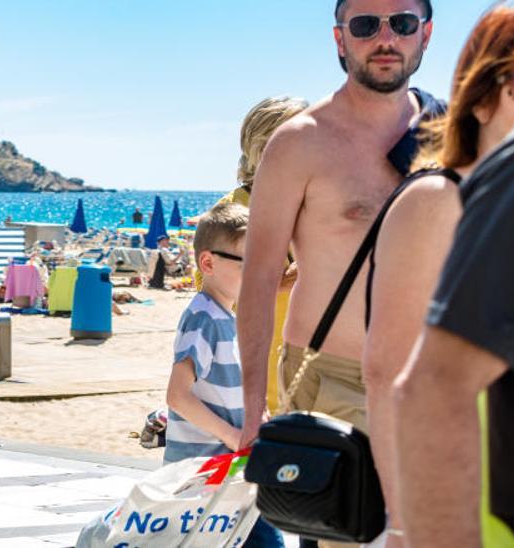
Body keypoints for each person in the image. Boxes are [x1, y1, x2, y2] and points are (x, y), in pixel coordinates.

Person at [238, 0, 441, 459]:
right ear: (340, 39)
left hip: (434, 379)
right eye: (366, 25)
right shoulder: (299, 143)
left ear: (425, 34)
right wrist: (252, 406)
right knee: (344, 530)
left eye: (403, 24)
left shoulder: (451, 134)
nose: (385, 39)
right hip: (334, 379)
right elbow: (259, 278)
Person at [366, 5, 514, 543]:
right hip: (463, 486)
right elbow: (390, 374)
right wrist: (402, 519)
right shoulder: (437, 198)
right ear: (477, 95)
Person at [164, 202, 282, 547]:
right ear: (208, 263)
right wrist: (233, 436)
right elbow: (177, 396)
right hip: (204, 476)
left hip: (228, 475)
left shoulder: (226, 317)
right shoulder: (203, 318)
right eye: (248, 262)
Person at [196, 97, 310, 413]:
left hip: (314, 371)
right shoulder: (230, 213)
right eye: (297, 135)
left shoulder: (316, 203)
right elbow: (211, 295)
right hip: (254, 380)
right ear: (264, 146)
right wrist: (286, 279)